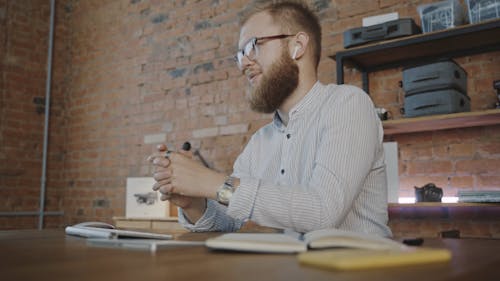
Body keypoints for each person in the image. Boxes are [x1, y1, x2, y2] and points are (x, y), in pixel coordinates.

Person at [148, 0, 392, 237]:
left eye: (254, 45)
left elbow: (322, 212)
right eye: (240, 54)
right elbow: (226, 219)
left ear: (298, 45)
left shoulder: (348, 104)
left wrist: (211, 182)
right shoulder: (260, 142)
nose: (243, 63)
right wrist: (193, 202)